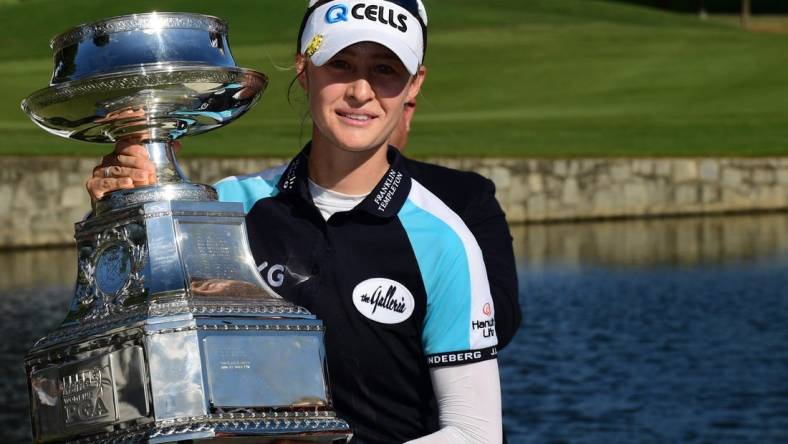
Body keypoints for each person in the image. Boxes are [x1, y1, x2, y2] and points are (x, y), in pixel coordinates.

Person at [86, 1, 519, 442]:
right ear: (304, 67)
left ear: (414, 84)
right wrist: (120, 225)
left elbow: (475, 432)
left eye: (386, 69)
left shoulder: (443, 239)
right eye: (341, 63)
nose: (361, 91)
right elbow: (135, 377)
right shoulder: (226, 208)